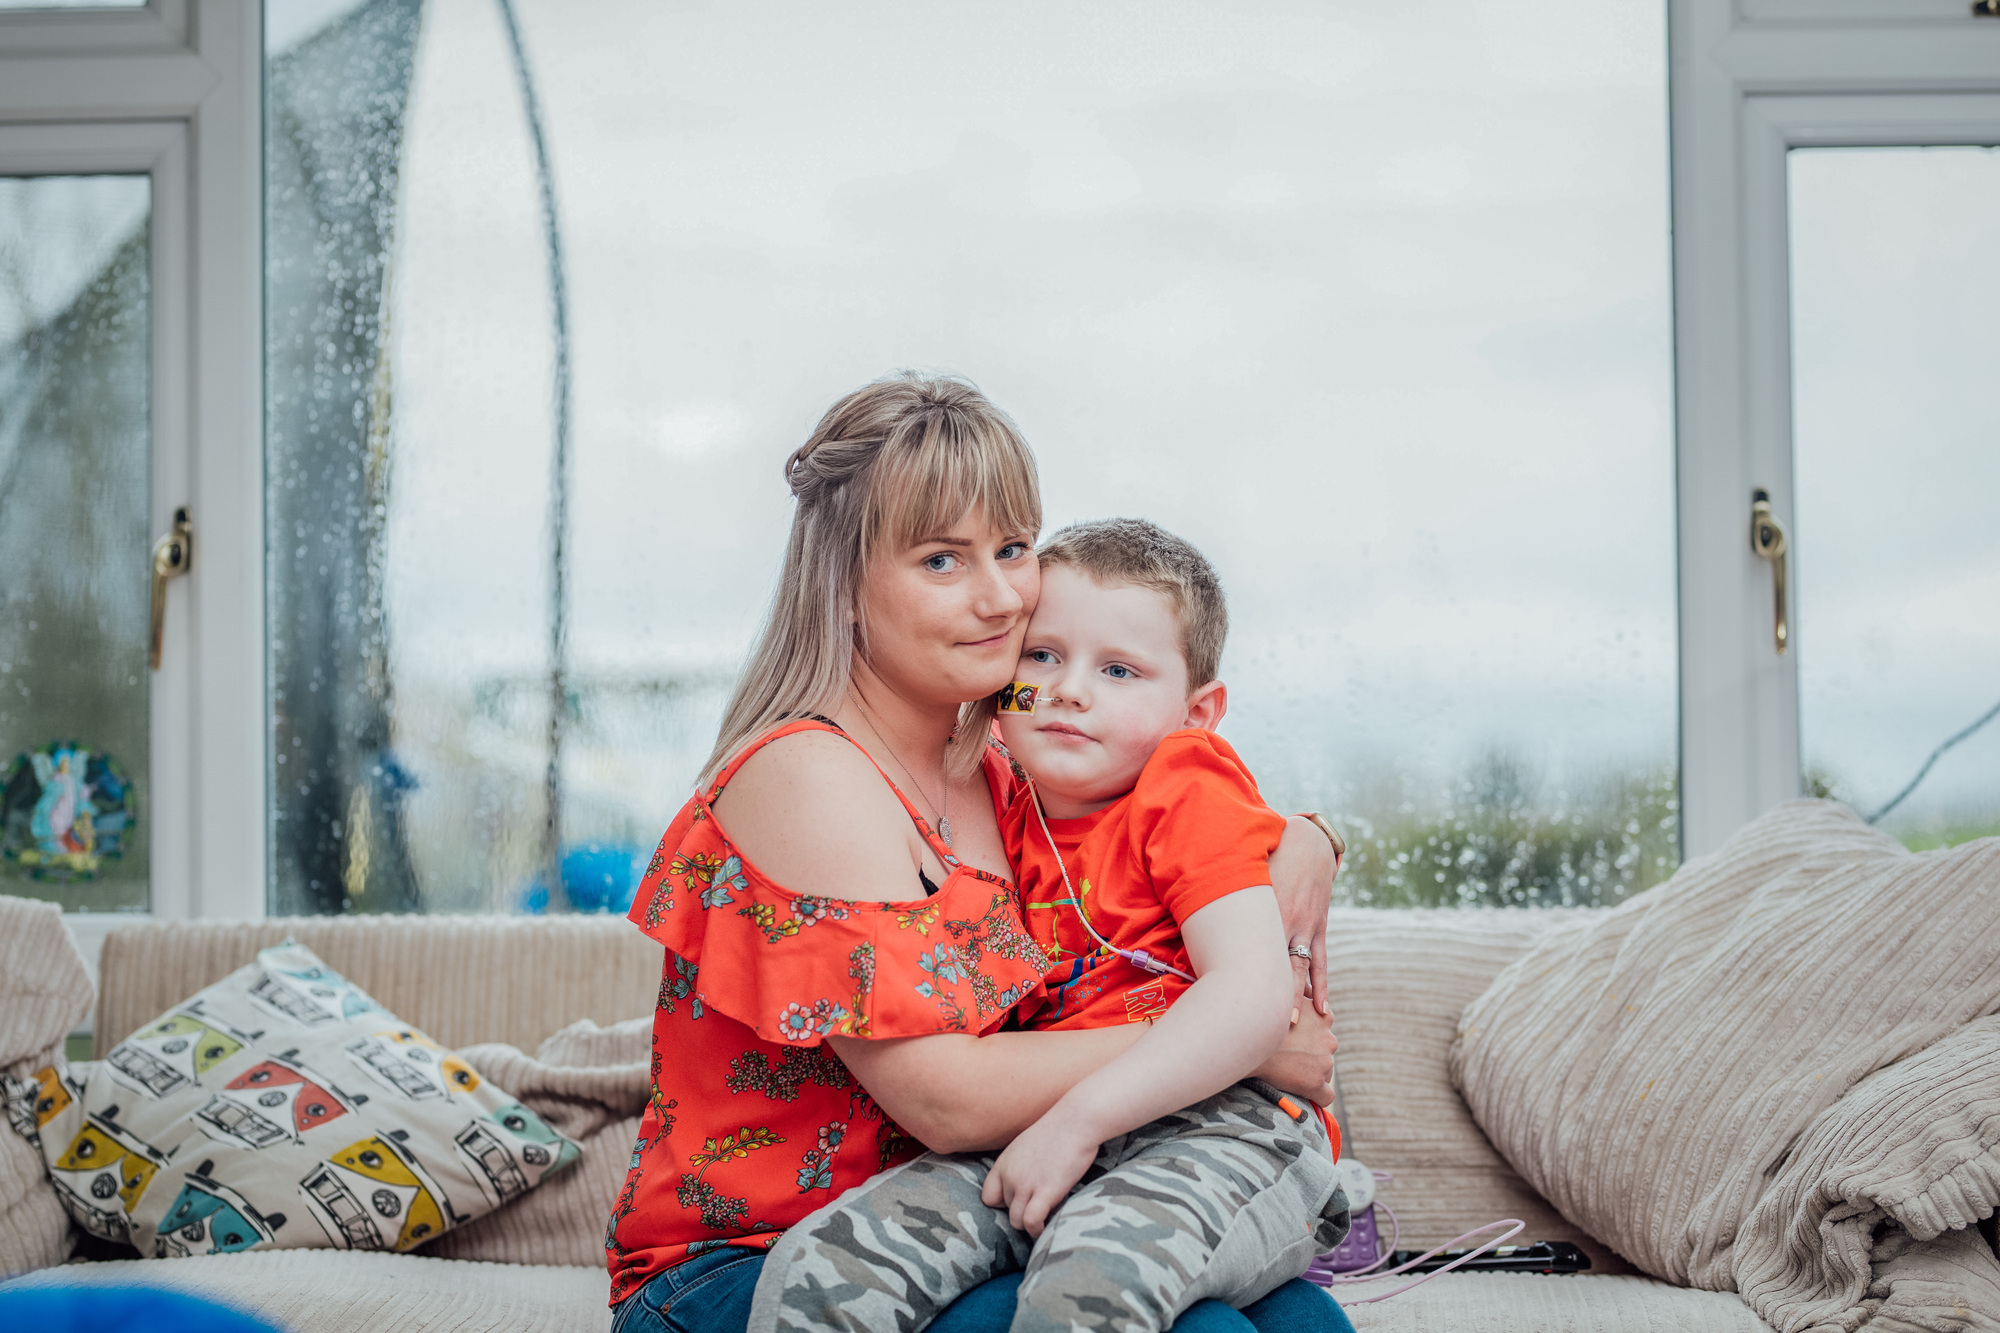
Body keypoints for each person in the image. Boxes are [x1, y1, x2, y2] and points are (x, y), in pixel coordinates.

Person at [605, 374, 1348, 1333]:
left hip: (993, 1202)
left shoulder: (1008, 745)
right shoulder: (805, 772)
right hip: (757, 1262)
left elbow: (1169, 766)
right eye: (942, 560)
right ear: (845, 583)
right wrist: (1239, 1038)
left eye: (1012, 548)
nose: (999, 598)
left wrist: (1309, 836)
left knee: (1299, 1319)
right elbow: (946, 1102)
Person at [749, 519, 1349, 1333]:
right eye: (1041, 656)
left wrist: (1080, 1119)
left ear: (1197, 711)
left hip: (1221, 1126)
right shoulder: (997, 791)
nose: (1069, 689)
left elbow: (1252, 994)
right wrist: (1067, 1124)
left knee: (1093, 1277)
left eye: (1118, 670)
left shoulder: (1186, 785)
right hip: (1043, 1126)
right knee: (831, 1263)